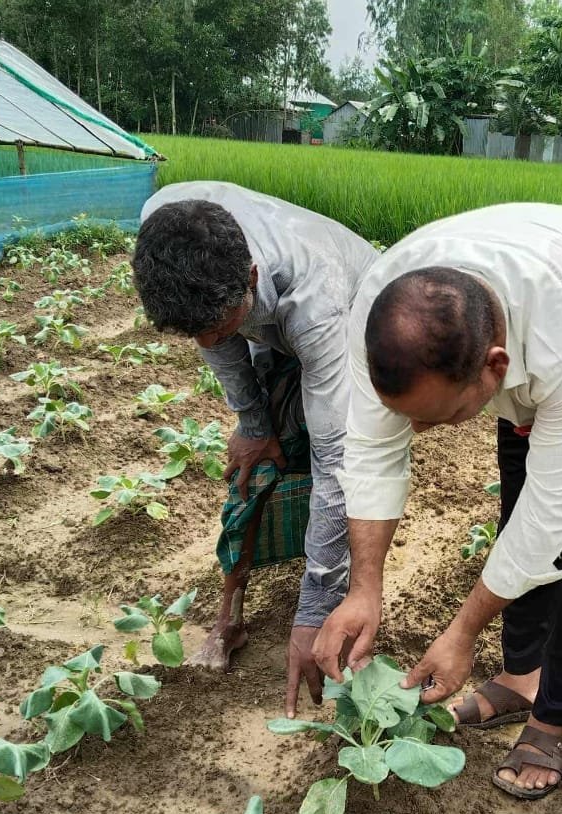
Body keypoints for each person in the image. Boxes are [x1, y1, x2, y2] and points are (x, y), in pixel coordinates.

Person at [313, 202, 562, 800]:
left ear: (494, 367)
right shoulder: (383, 314)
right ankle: (523, 677)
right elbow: (371, 454)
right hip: (542, 342)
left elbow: (552, 511)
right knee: (516, 508)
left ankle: (557, 718)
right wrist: (363, 587)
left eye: (441, 416)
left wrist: (463, 630)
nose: (422, 433)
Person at [133, 182, 378, 716]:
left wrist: (312, 606)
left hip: (359, 334)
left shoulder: (318, 299)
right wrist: (251, 419)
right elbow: (214, 336)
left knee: (337, 476)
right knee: (254, 471)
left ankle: (337, 607)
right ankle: (230, 617)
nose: (204, 344)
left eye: (219, 327)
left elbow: (338, 461)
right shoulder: (165, 225)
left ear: (250, 279)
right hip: (273, 327)